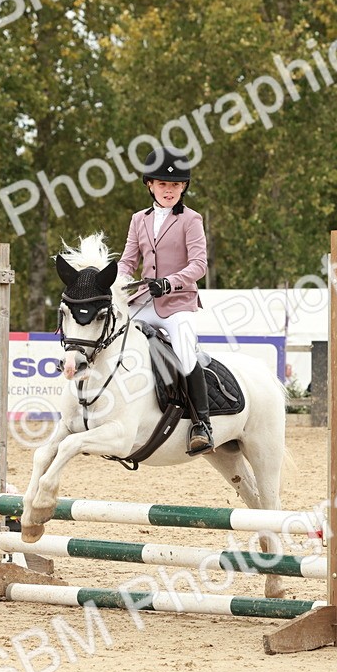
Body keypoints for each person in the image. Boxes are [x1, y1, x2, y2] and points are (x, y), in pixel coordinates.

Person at [118, 147, 213, 455]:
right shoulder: (138, 219)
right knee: (113, 336)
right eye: (162, 184)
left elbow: (199, 264)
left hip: (178, 304)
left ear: (183, 187)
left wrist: (170, 283)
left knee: (186, 353)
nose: (169, 190)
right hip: (144, 301)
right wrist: (116, 283)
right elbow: (127, 261)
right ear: (150, 185)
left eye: (174, 185)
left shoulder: (191, 219)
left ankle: (202, 424)